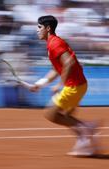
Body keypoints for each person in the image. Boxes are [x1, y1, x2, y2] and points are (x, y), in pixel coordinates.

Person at [29, 15, 101, 156]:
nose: (37, 30)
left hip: (73, 86)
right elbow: (57, 68)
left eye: (39, 27)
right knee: (67, 116)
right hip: (79, 85)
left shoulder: (54, 43)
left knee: (51, 114)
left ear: (48, 28)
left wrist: (59, 85)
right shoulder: (53, 43)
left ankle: (87, 128)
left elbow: (69, 63)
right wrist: (40, 84)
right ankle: (85, 143)